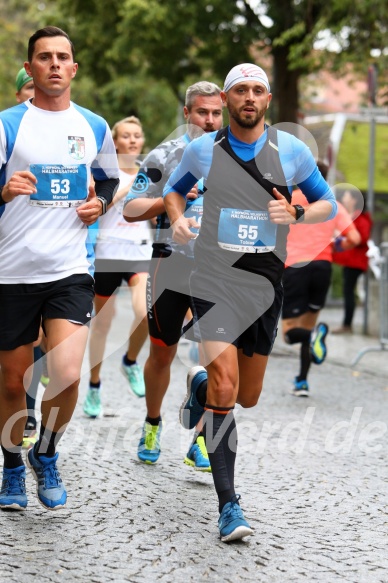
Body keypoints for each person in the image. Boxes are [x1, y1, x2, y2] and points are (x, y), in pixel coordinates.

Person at [163, 63, 337, 542]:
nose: (249, 97)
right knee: (225, 387)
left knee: (247, 396)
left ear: (268, 99)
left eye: (258, 90)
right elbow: (174, 194)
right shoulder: (204, 149)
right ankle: (229, 507)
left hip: (264, 284)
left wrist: (297, 211)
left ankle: (197, 392)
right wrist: (178, 221)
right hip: (214, 278)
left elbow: (329, 204)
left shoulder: (292, 151)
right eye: (240, 89)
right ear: (227, 96)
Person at [0, 26, 119, 511]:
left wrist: (100, 205)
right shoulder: (8, 124)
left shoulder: (93, 126)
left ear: (74, 68)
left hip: (70, 269)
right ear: (29, 68)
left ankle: (45, 453)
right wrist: (4, 192)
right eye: (43, 57)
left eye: (62, 57)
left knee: (67, 373)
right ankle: (11, 470)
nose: (53, 64)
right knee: (11, 382)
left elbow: (109, 181)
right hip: (11, 272)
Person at [123, 81, 223, 471]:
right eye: (202, 112)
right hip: (171, 262)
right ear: (187, 114)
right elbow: (131, 208)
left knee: (219, 358)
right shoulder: (165, 154)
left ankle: (201, 439)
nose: (210, 121)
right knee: (161, 353)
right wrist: (169, 201)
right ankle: (152, 422)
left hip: (220, 269)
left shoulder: (240, 155)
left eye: (217, 113)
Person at [83, 116, 152, 418]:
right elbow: (99, 209)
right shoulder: (106, 175)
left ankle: (130, 360)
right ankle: (94, 385)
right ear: (116, 141)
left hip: (139, 252)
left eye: (137, 135)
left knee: (145, 312)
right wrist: (126, 189)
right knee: (101, 326)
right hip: (108, 255)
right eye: (126, 136)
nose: (133, 140)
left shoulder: (153, 175)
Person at [282, 164, 361, 396]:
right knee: (308, 327)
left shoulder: (289, 199)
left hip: (296, 267)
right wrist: (334, 247)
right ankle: (302, 381)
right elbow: (354, 238)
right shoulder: (331, 204)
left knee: (289, 333)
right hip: (322, 267)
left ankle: (313, 341)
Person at [332, 189, 373, 334]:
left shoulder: (361, 219)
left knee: (349, 291)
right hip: (351, 261)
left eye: (347, 195)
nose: (344, 198)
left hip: (355, 262)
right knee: (348, 291)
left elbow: (362, 238)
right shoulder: (355, 217)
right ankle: (347, 323)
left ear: (355, 200)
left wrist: (343, 236)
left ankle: (347, 324)